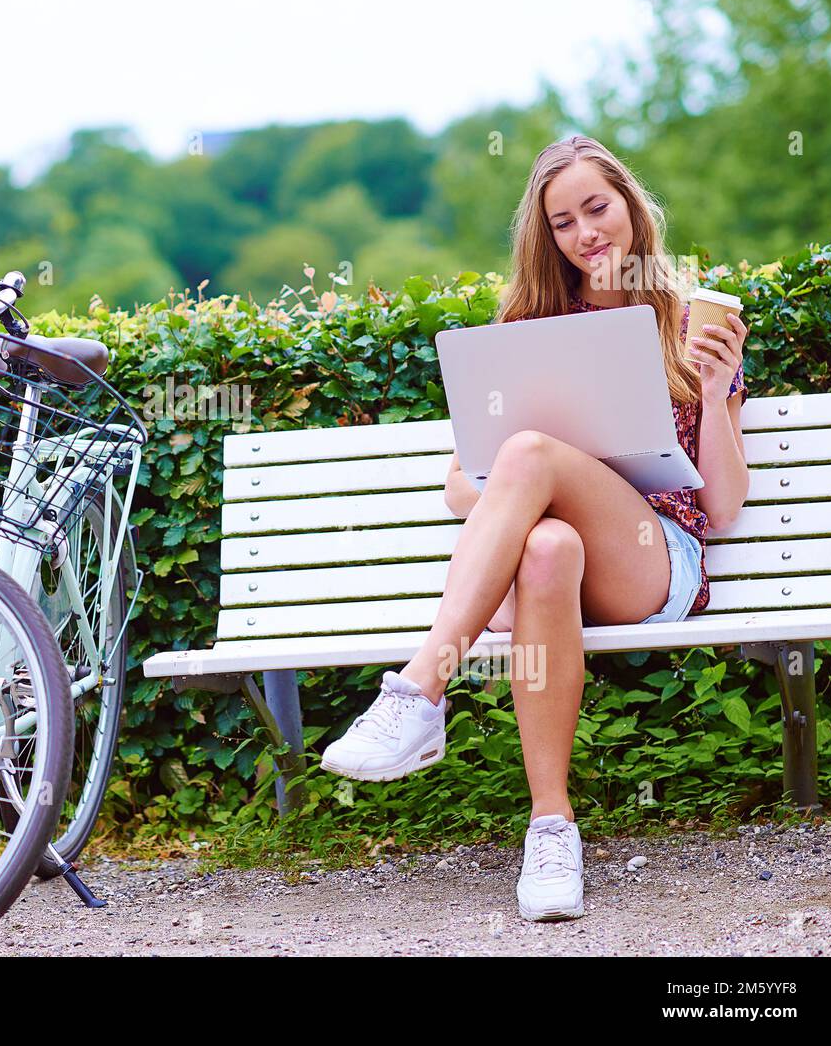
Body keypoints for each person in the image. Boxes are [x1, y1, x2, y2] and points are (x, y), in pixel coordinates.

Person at [320, 134, 751, 921]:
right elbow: (461, 482)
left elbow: (721, 511)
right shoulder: (532, 326)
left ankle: (420, 688)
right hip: (541, 571)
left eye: (597, 207)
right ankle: (551, 831)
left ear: (629, 205)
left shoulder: (689, 324)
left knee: (529, 455)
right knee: (548, 542)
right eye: (562, 222)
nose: (586, 233)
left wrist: (718, 391)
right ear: (544, 237)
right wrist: (538, 481)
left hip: (652, 558)